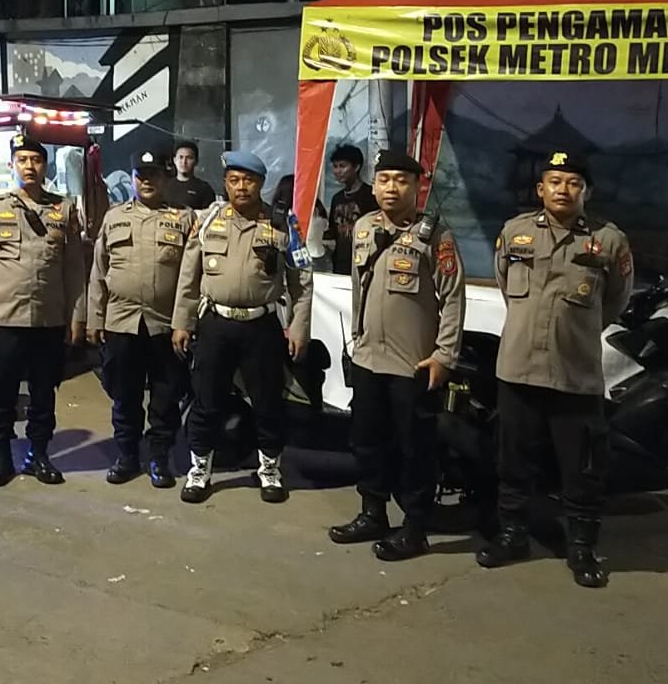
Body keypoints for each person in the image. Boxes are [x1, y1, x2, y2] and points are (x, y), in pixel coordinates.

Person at [476, 149, 633, 588]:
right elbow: (507, 285)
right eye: (555, 182)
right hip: (518, 370)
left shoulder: (609, 241)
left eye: (573, 183)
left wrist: (574, 330)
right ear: (540, 189)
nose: (563, 190)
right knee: (513, 462)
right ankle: (513, 536)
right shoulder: (515, 232)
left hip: (574, 375)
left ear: (586, 192)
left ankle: (581, 548)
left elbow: (615, 300)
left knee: (581, 469)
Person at [326, 152, 465, 560]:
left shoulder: (435, 236)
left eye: (401, 180)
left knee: (415, 448)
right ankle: (373, 513)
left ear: (417, 187)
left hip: (413, 364)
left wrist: (444, 355)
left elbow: (453, 298)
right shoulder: (365, 227)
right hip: (369, 359)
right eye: (384, 179)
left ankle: (415, 527)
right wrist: (357, 336)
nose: (391, 188)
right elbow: (358, 286)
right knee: (367, 441)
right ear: (374, 186)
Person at [171, 150, 313, 504]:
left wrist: (299, 327)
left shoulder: (281, 223)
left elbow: (302, 279)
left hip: (260, 327)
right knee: (207, 401)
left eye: (248, 180)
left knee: (268, 403)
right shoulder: (209, 219)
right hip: (215, 324)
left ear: (261, 183)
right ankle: (199, 471)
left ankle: (269, 471)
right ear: (225, 183)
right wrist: (182, 322)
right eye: (234, 180)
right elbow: (189, 275)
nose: (241, 187)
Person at [0, 134, 87, 487]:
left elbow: (74, 269)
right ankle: (2, 458)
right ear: (12, 165)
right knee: (0, 393)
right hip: (5, 320)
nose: (29, 166)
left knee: (44, 393)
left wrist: (77, 316)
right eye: (22, 160)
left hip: (49, 320)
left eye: (35, 160)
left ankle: (38, 456)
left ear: (45, 166)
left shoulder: (63, 210)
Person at [88, 149, 196, 488]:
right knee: (125, 395)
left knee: (166, 397)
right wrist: (94, 319)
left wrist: (184, 322)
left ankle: (159, 458)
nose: (147, 181)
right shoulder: (114, 217)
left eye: (153, 175)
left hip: (165, 325)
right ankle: (127, 456)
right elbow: (98, 272)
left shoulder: (183, 218)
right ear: (133, 178)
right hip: (121, 323)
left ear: (164, 178)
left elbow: (191, 277)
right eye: (140, 175)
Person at [322, 144, 379, 276]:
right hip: (340, 262)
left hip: (364, 261)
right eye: (335, 166)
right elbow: (333, 231)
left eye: (342, 166)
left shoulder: (370, 196)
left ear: (356, 167)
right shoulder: (337, 198)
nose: (338, 171)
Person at [162, 140, 217, 210]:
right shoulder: (164, 186)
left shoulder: (204, 189)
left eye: (189, 158)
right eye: (181, 157)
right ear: (174, 160)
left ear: (196, 161)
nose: (184, 162)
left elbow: (209, 214)